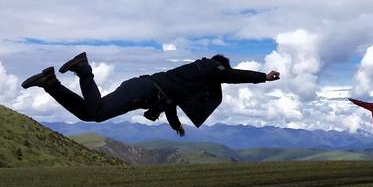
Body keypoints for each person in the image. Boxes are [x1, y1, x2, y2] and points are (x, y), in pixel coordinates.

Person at [22, 52, 280, 135]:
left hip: (141, 88)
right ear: (220, 65)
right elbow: (234, 76)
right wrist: (263, 78)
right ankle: (83, 69)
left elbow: (170, 104)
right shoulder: (210, 69)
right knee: (97, 113)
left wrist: (177, 125)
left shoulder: (188, 78)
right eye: (224, 70)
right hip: (142, 91)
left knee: (91, 115)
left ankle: (50, 83)